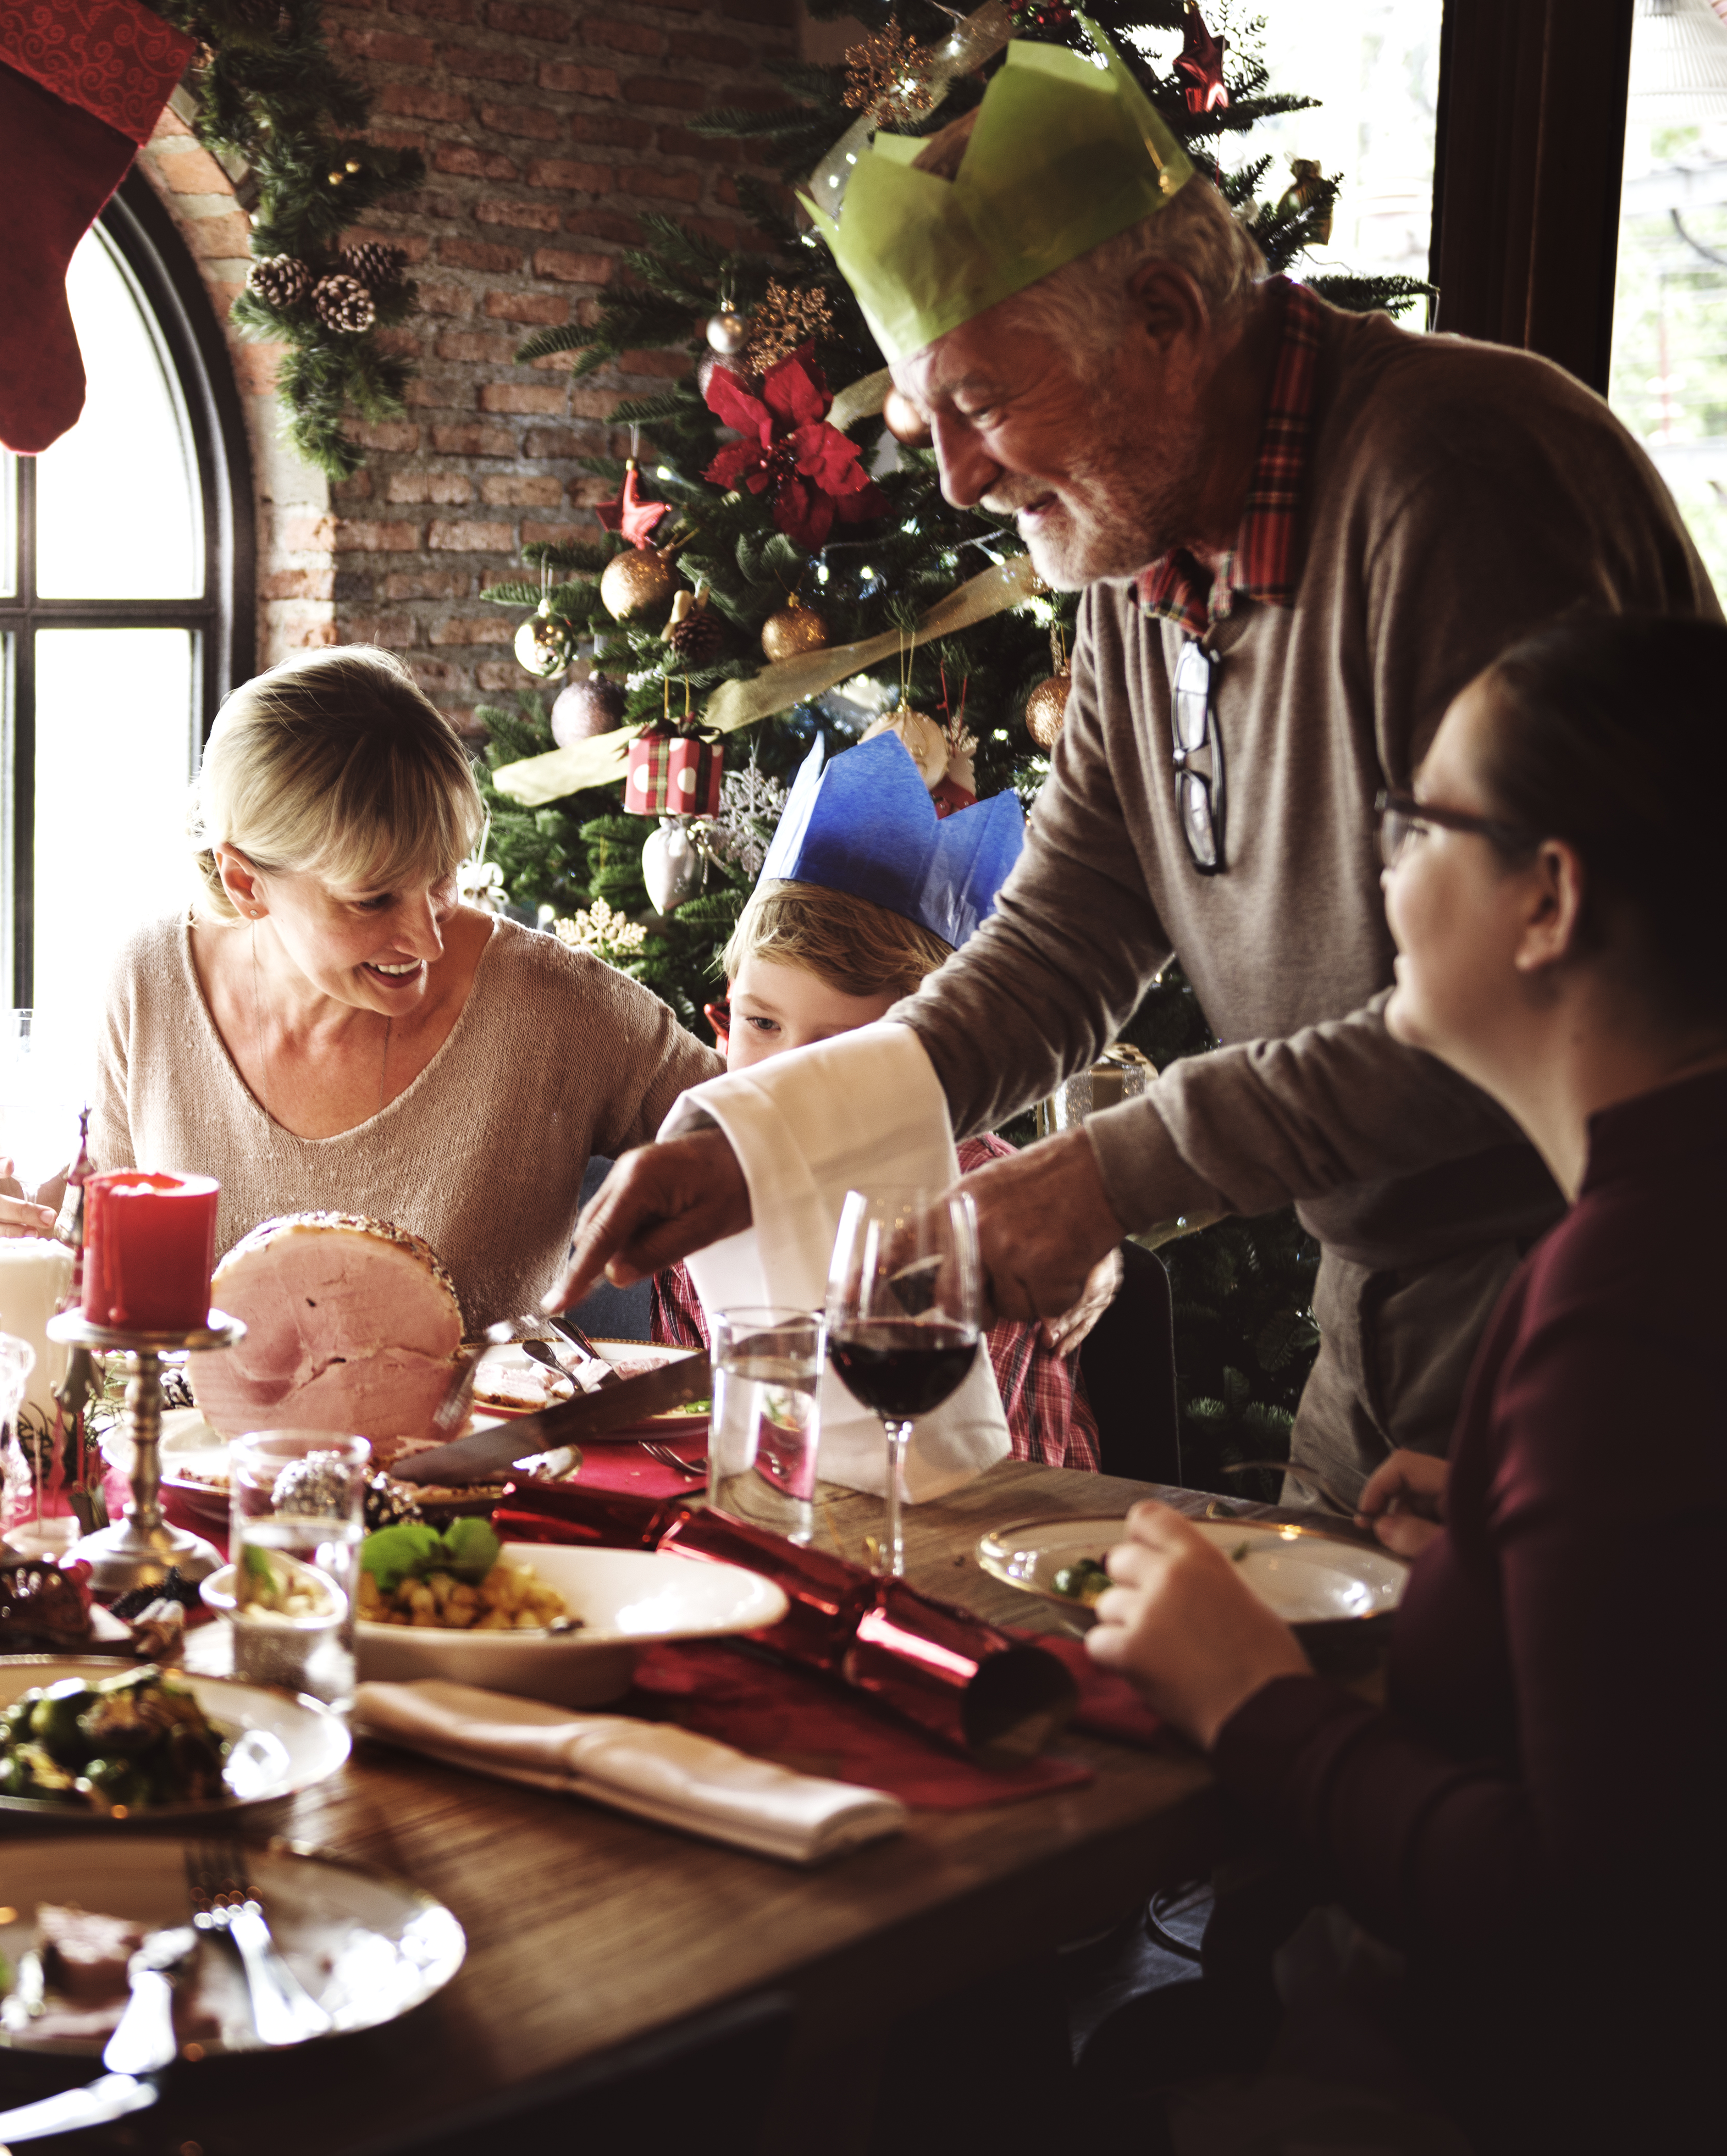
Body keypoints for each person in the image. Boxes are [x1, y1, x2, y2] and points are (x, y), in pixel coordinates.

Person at [557, 25, 1715, 1505]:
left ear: (1166, 315)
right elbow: (1064, 935)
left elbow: (1529, 995)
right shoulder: (1133, 544)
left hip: (1598, 1289)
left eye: (980, 403)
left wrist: (1114, 1170)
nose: (962, 479)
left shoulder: (1461, 482)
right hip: (1374, 1309)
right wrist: (759, 1144)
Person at [1084, 615, 1726, 2148]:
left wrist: (1249, 1704)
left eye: (1415, 820)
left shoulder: (1624, 1295)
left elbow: (1598, 1926)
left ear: (1545, 898)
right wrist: (1513, 1548)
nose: (1375, 863)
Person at [0, 645, 716, 1327]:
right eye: (373, 898)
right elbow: (113, 1299)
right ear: (246, 881)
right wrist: (24, 1241)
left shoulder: (553, 1004)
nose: (427, 936)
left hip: (479, 1483)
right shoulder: (149, 981)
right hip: (201, 1477)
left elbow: (775, 1140)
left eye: (442, 876)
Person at [655, 731, 1108, 1467]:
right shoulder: (706, 1187)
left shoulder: (979, 1212)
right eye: (760, 1022)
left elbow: (974, 1473)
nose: (784, 1072)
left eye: (840, 1051)